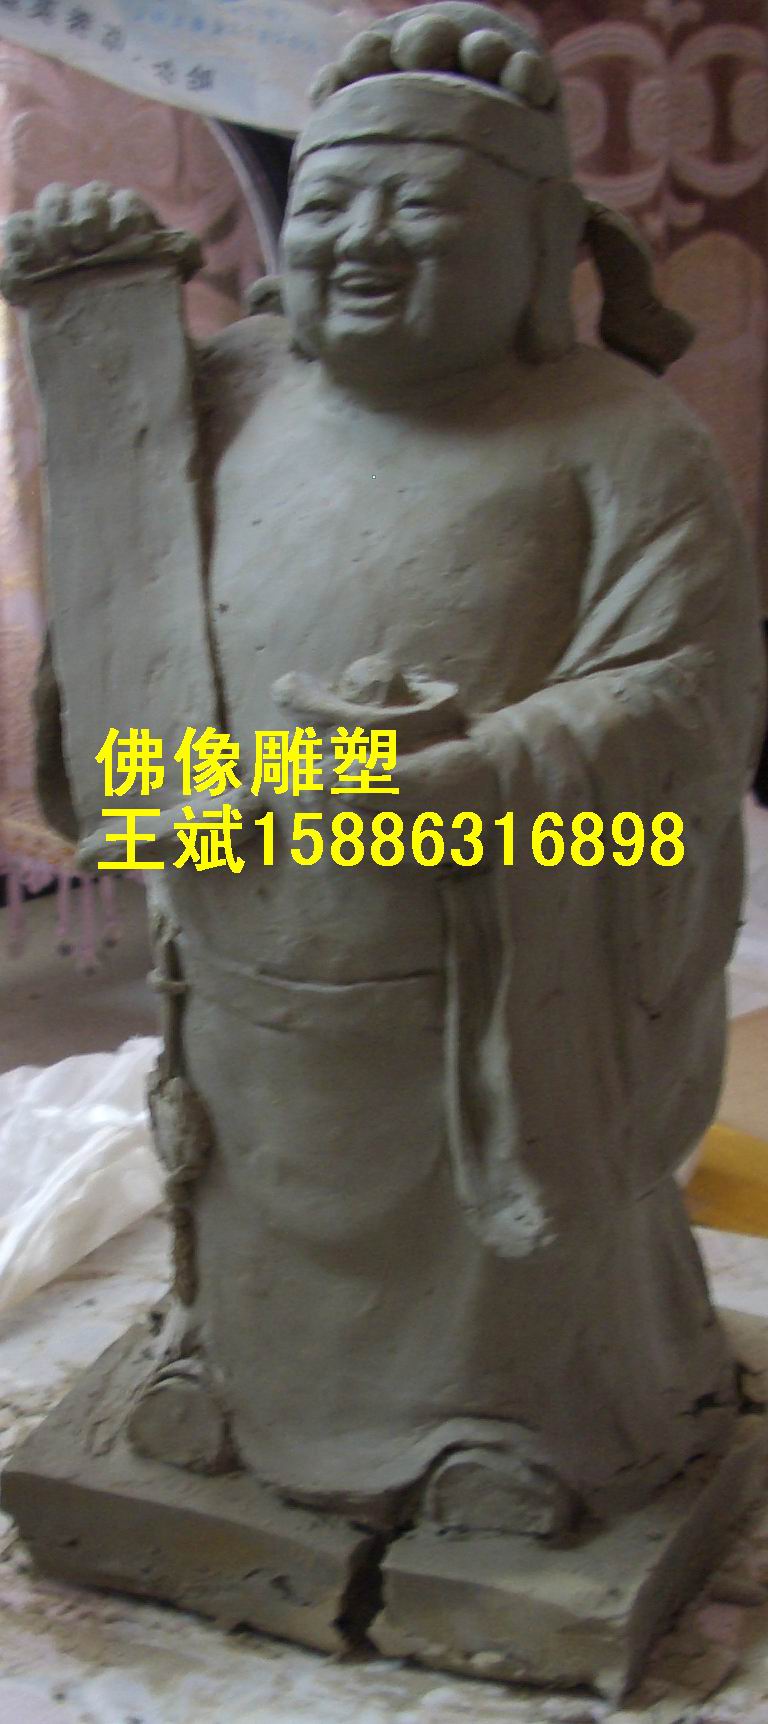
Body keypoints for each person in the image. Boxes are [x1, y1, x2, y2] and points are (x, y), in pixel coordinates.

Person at [4, 1, 764, 1540]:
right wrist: (88, 337)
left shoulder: (621, 442)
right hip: (249, 926)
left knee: (487, 1212)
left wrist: (477, 773)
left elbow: (687, 694)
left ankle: (510, 1424)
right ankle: (234, 1373)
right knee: (258, 1159)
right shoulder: (233, 388)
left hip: (491, 948)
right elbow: (126, 602)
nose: (362, 241)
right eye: (333, 203)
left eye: (421, 207)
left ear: (540, 245)